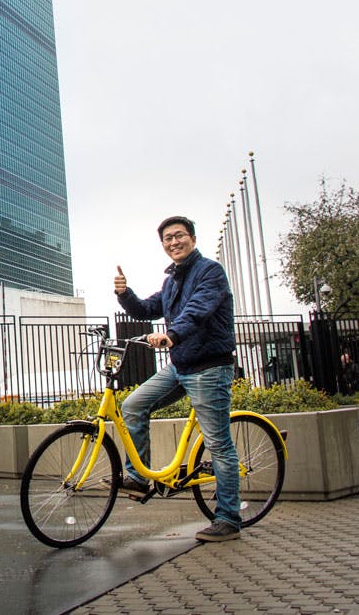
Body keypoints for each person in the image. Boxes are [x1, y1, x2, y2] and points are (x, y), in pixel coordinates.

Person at [112, 216, 241, 542]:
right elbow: (146, 308)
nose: (173, 242)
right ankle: (139, 477)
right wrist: (125, 294)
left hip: (209, 368)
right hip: (181, 366)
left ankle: (228, 519)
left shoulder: (210, 272)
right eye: (167, 238)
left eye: (179, 236)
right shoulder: (171, 281)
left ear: (192, 239)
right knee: (133, 405)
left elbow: (198, 309)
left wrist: (171, 334)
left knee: (218, 444)